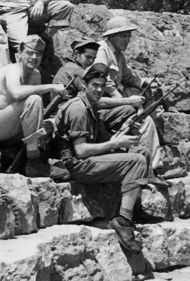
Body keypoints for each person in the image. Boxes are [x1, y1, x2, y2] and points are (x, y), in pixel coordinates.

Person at [59, 61, 150, 249]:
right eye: (95, 85)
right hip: (76, 165)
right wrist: (116, 144)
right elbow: (81, 151)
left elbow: (102, 140)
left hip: (87, 160)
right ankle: (123, 221)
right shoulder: (78, 109)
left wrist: (124, 130)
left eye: (102, 86)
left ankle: (132, 208)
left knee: (142, 152)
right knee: (137, 161)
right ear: (84, 86)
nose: (99, 90)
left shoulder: (91, 106)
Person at [53, 37, 161, 168]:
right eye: (88, 57)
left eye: (94, 58)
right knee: (129, 111)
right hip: (74, 119)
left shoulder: (73, 69)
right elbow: (95, 101)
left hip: (79, 116)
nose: (91, 62)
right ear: (76, 55)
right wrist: (126, 101)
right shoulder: (77, 72)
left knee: (128, 111)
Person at [0, 35, 65, 177]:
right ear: (19, 54)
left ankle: (32, 160)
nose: (34, 57)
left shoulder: (35, 74)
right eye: (29, 53)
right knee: (34, 99)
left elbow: (32, 112)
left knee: (51, 125)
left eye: (38, 54)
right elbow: (17, 94)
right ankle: (34, 161)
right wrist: (52, 87)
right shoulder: (12, 70)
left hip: (12, 127)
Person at [95, 19, 163, 170]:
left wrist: (145, 81)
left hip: (117, 103)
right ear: (112, 36)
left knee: (144, 106)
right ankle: (150, 166)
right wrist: (123, 101)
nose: (127, 40)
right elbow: (101, 80)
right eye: (123, 36)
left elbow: (127, 77)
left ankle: (152, 149)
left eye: (128, 36)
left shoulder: (119, 56)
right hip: (103, 105)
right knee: (142, 121)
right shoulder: (102, 50)